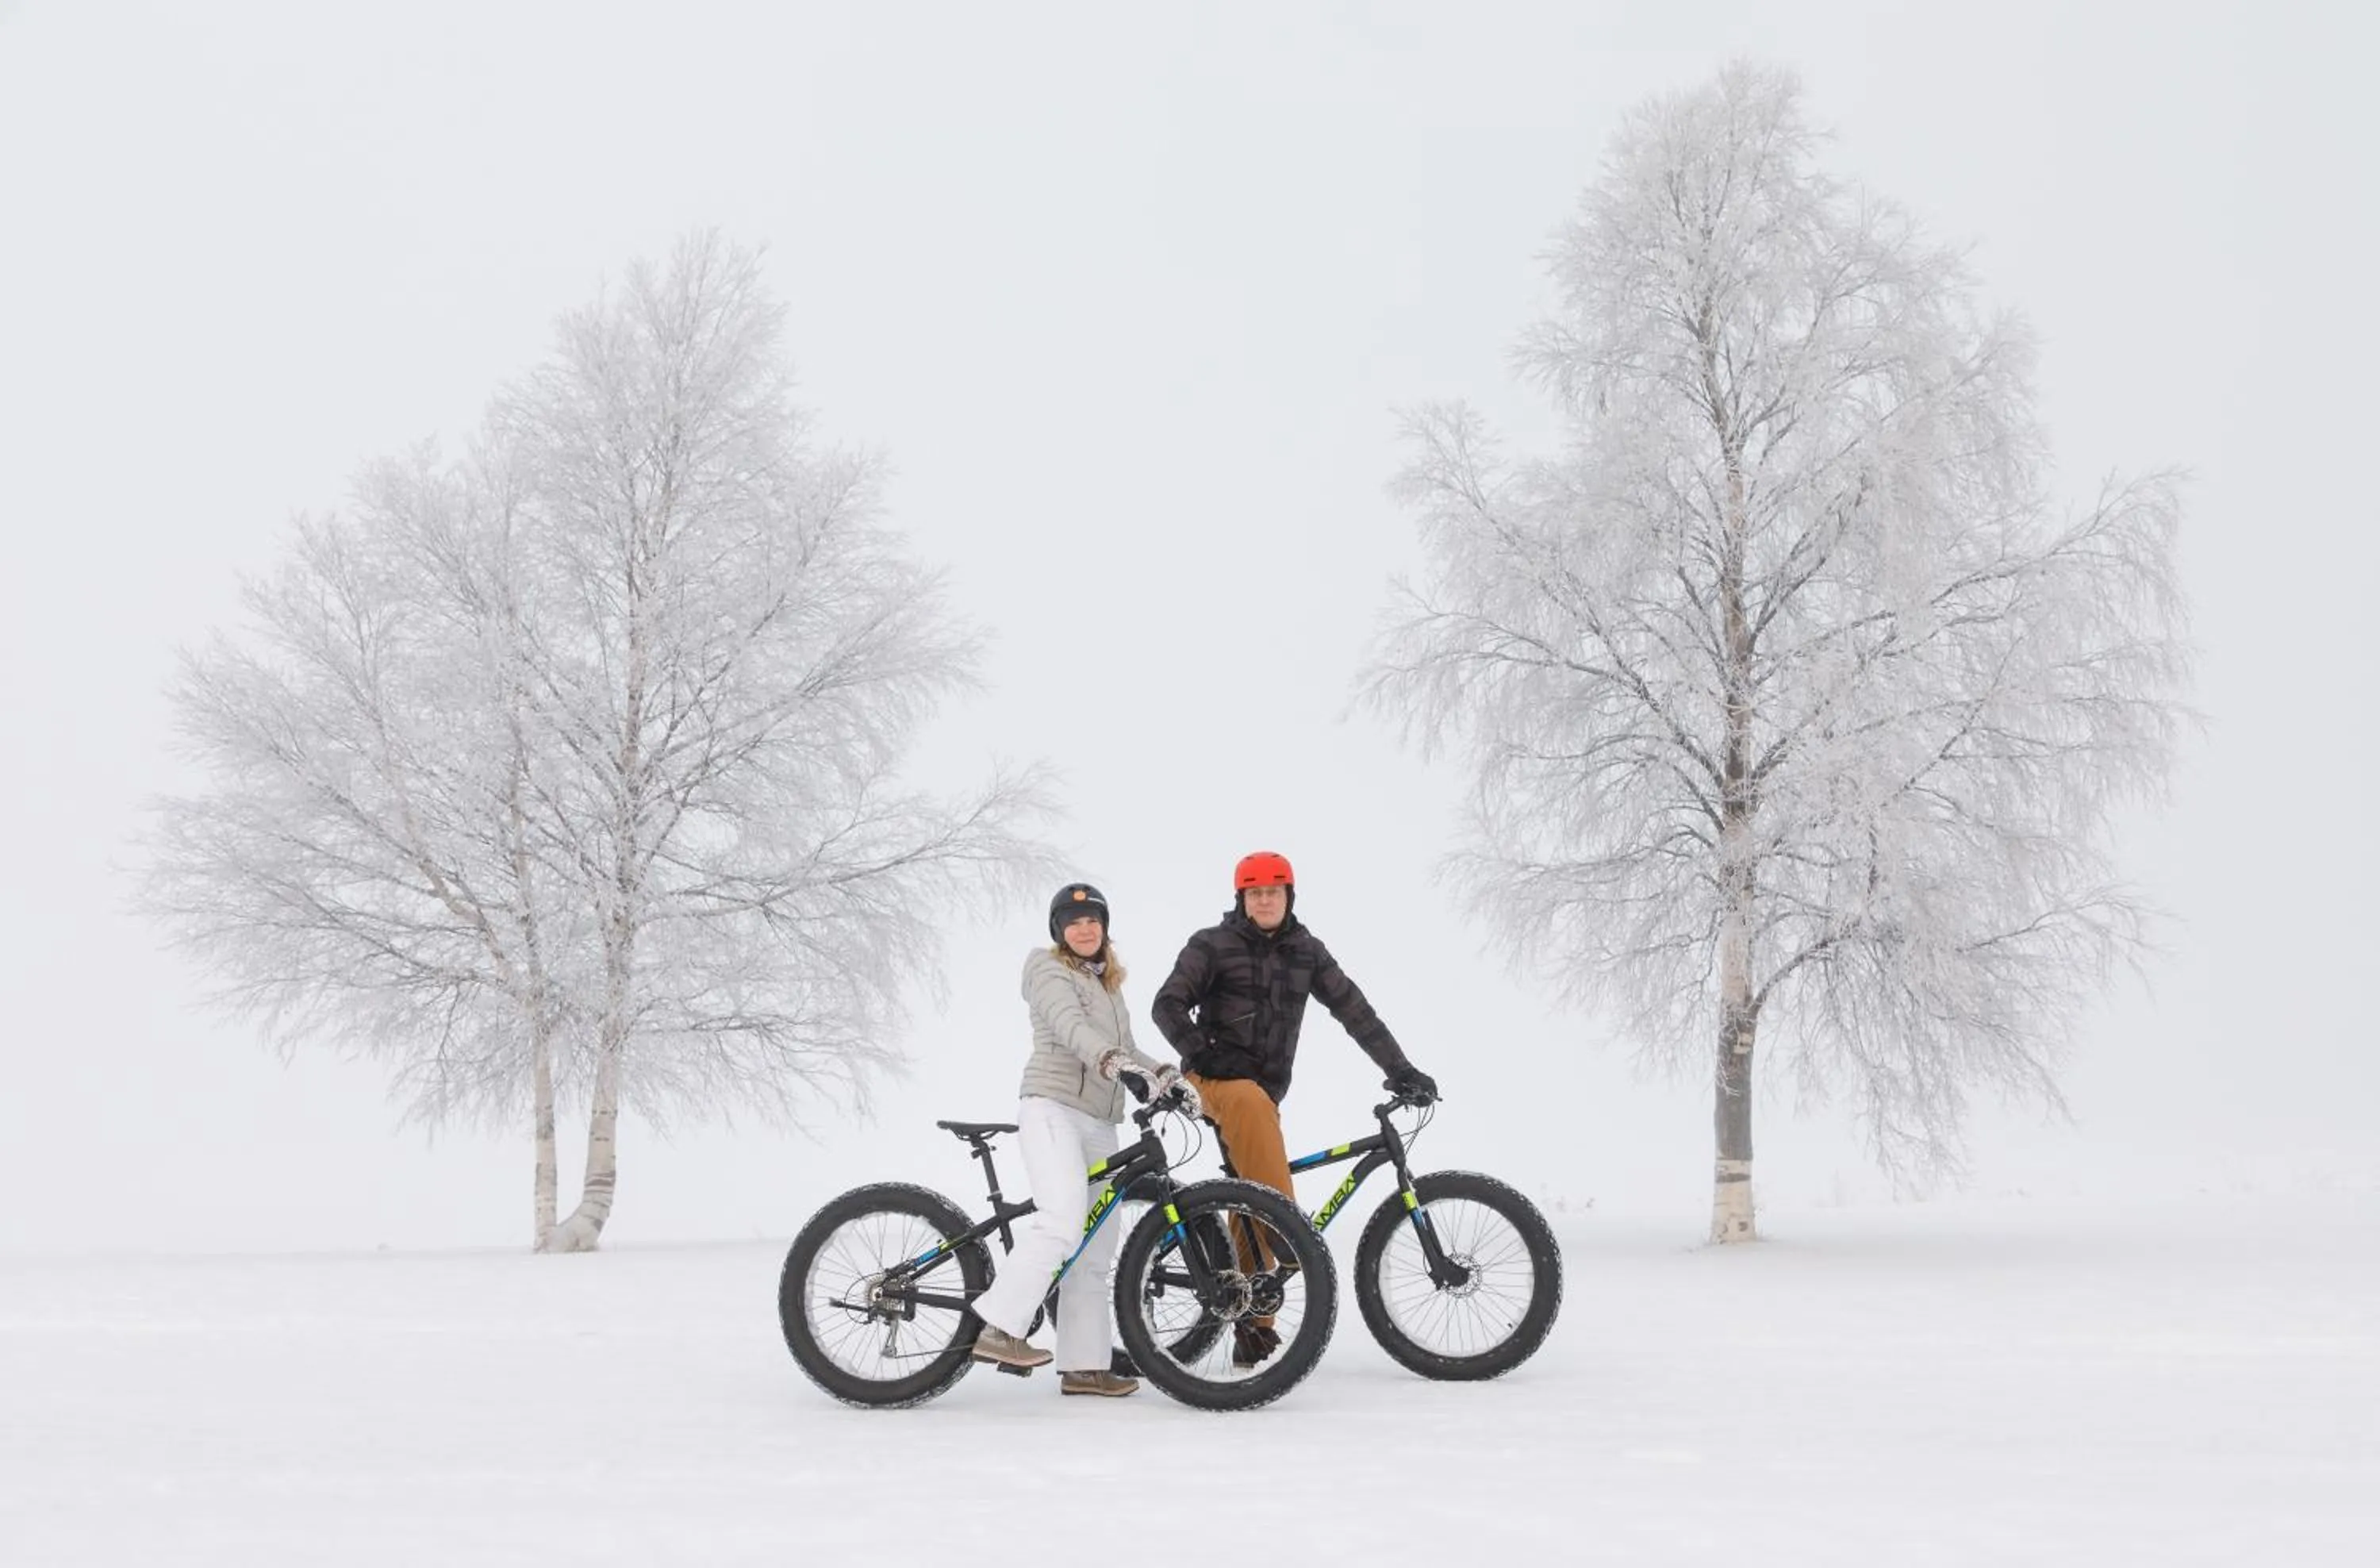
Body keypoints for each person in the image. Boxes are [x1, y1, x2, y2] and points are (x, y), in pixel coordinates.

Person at [1150, 851, 1438, 1366]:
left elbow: (1355, 1010)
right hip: (1213, 1082)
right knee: (1254, 1127)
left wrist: (1401, 1069)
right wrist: (1203, 1052)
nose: (1265, 900)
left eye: (1274, 892)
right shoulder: (1211, 945)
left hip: (1262, 1095)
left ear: (1289, 896)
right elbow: (1167, 1003)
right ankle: (1287, 1231)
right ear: (1242, 899)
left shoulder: (1306, 951)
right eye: (1255, 893)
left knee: (1250, 1192)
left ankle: (1252, 1322)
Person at [968, 882, 1200, 1397]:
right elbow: (1073, 1030)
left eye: (1093, 920)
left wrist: (1168, 1077)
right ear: (1059, 932)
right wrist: (1116, 1065)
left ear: (1105, 927)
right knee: (1062, 1220)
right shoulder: (1046, 969)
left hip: (1100, 1121)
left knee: (1095, 1247)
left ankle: (1085, 1367)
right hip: (1053, 1110)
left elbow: (1127, 1046)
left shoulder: (1108, 985)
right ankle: (998, 1328)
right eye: (1073, 923)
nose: (1085, 928)